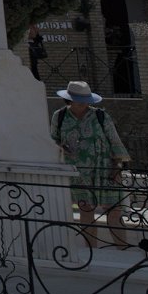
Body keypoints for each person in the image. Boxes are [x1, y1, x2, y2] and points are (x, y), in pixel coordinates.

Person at [50, 80, 132, 249]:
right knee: (86, 210)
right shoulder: (60, 116)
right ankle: (91, 251)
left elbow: (114, 140)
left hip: (105, 168)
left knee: (113, 210)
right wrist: (61, 148)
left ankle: (123, 249)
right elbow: (53, 140)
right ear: (70, 99)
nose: (83, 103)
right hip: (79, 171)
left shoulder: (100, 116)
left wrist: (117, 166)